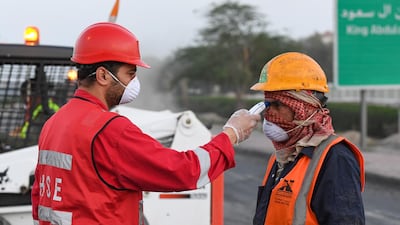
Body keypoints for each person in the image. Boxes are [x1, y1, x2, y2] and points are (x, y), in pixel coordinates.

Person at [30, 22, 261, 225]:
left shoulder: (54, 123)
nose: (134, 82)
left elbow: (40, 198)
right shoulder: (109, 129)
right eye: (130, 74)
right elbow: (182, 171)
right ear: (102, 76)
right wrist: (231, 134)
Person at [250, 52, 365, 225]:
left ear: (304, 107)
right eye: (267, 104)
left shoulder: (336, 158)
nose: (268, 113)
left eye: (277, 105)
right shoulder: (281, 156)